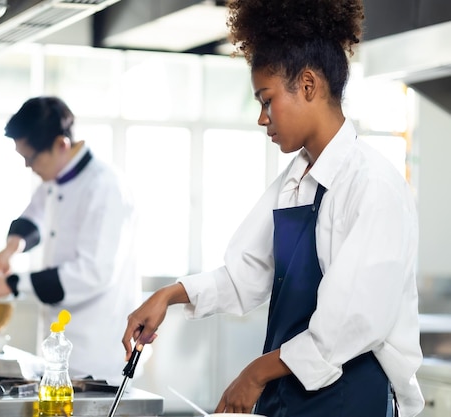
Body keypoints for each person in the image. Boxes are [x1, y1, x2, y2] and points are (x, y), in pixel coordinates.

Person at [122, 0, 424, 416]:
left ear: (308, 85)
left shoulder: (372, 185)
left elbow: (350, 324)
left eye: (267, 100)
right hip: (289, 392)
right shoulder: (296, 180)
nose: (262, 119)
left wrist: (256, 373)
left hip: (350, 398)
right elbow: (247, 274)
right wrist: (169, 295)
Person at [0, 96, 141, 385]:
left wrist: (12, 284)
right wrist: (10, 249)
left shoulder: (105, 186)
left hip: (97, 359)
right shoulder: (56, 179)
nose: (28, 166)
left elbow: (93, 274)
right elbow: (34, 217)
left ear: (61, 145)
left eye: (31, 158)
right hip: (62, 352)